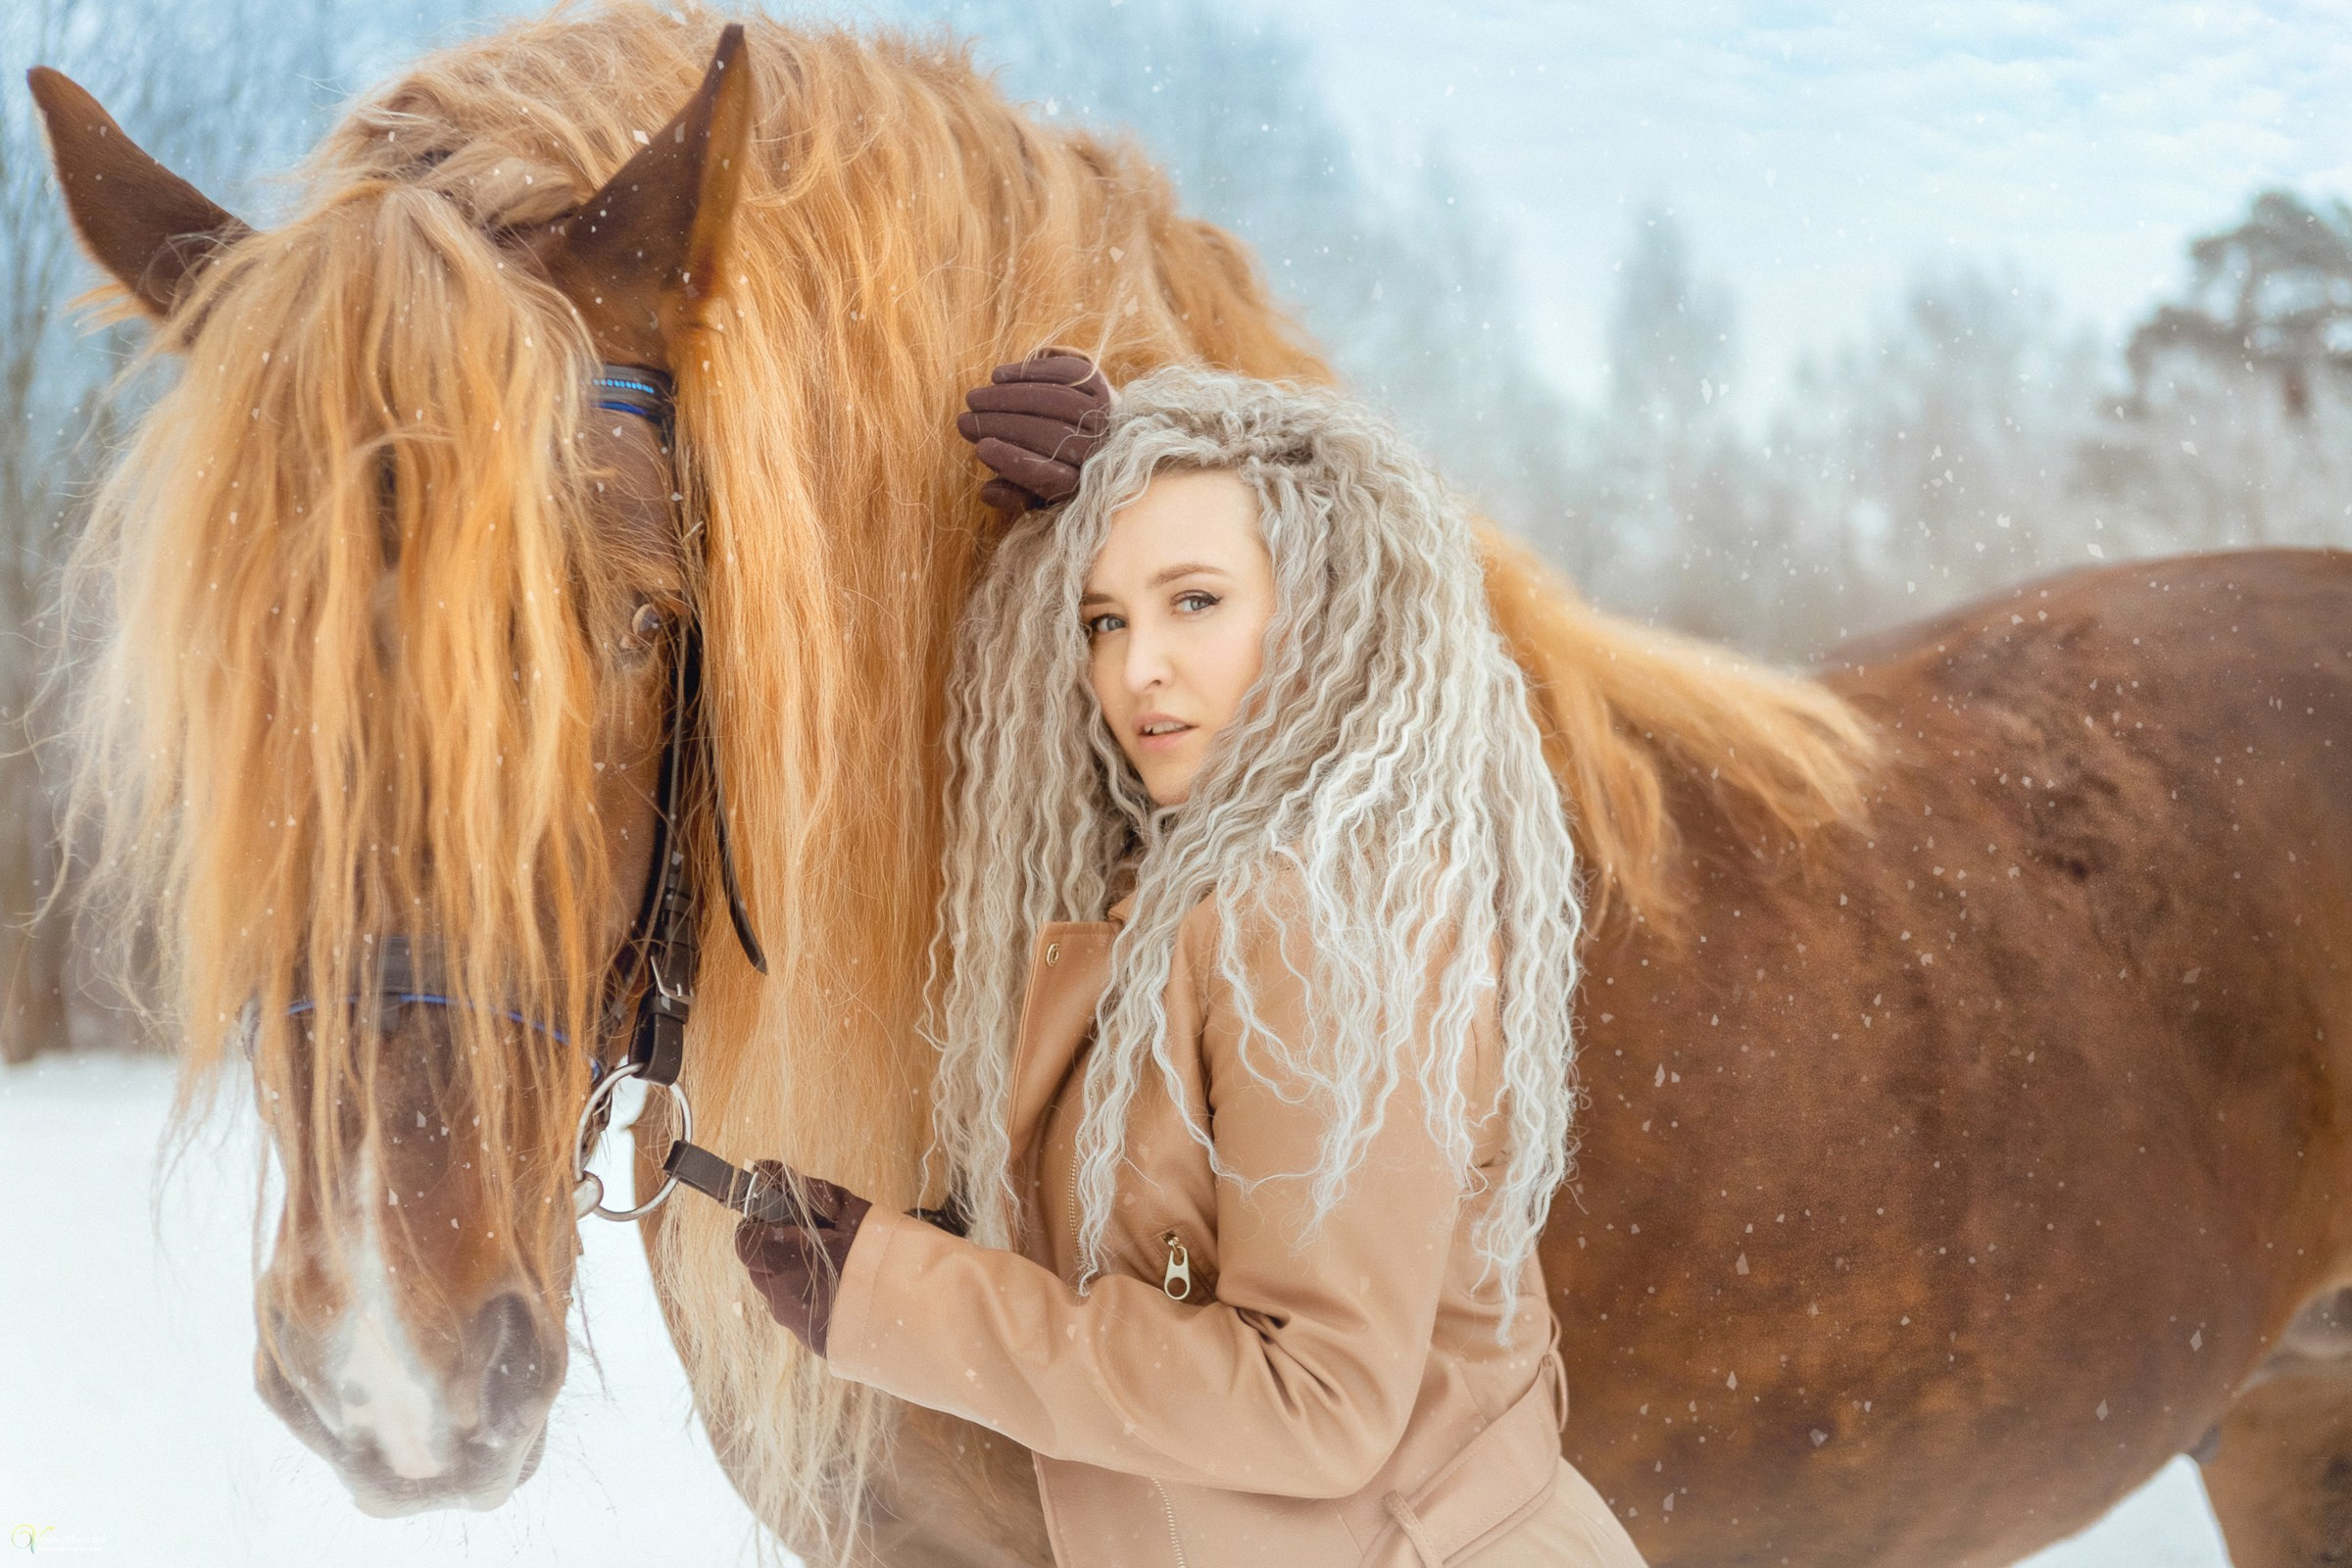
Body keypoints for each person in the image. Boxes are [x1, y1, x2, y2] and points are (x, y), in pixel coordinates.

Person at [733, 351, 1647, 1567]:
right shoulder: (1190, 888)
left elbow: (1316, 1402)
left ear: (1320, 613)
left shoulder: (1328, 915)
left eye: (1196, 602)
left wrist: (894, 1301)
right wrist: (1062, 499)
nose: (1136, 668)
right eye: (1104, 618)